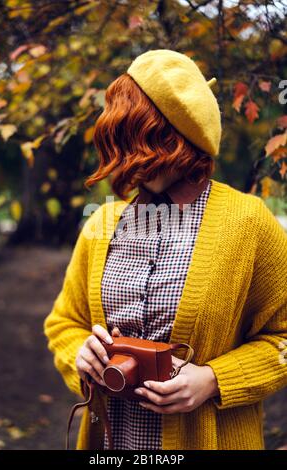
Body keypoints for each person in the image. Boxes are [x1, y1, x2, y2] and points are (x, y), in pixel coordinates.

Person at [44, 49, 287, 450]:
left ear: (177, 139)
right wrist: (80, 356)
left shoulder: (249, 224)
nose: (125, 160)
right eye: (118, 142)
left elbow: (282, 338)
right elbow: (63, 323)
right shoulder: (102, 225)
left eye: (136, 142)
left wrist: (213, 381)